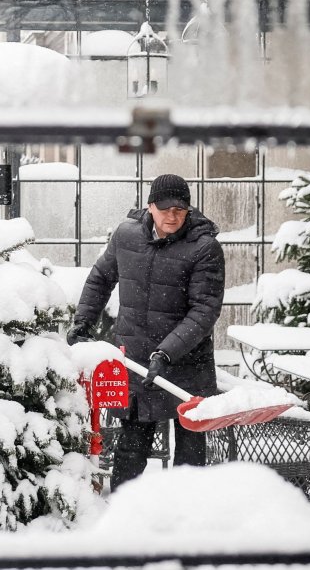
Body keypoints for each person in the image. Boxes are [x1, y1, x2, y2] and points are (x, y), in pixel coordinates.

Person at [70, 173, 224, 488]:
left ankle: (185, 523)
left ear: (189, 209)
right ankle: (125, 516)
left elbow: (204, 310)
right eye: (165, 208)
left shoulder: (204, 248)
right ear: (150, 206)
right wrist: (83, 322)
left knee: (190, 456)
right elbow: (101, 278)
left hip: (186, 366)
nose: (172, 215)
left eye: (180, 209)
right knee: (131, 448)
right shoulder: (126, 236)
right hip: (139, 362)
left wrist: (167, 351)